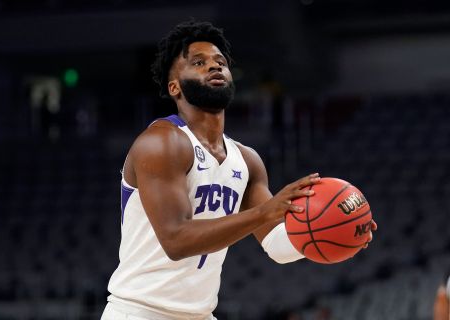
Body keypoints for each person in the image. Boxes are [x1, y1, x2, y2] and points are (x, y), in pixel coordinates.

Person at [101, 20, 377, 320]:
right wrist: (265, 212)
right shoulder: (161, 143)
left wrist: (343, 234)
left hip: (200, 314)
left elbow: (278, 247)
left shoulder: (246, 160)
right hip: (140, 311)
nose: (214, 67)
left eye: (220, 62)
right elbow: (176, 240)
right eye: (198, 62)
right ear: (174, 87)